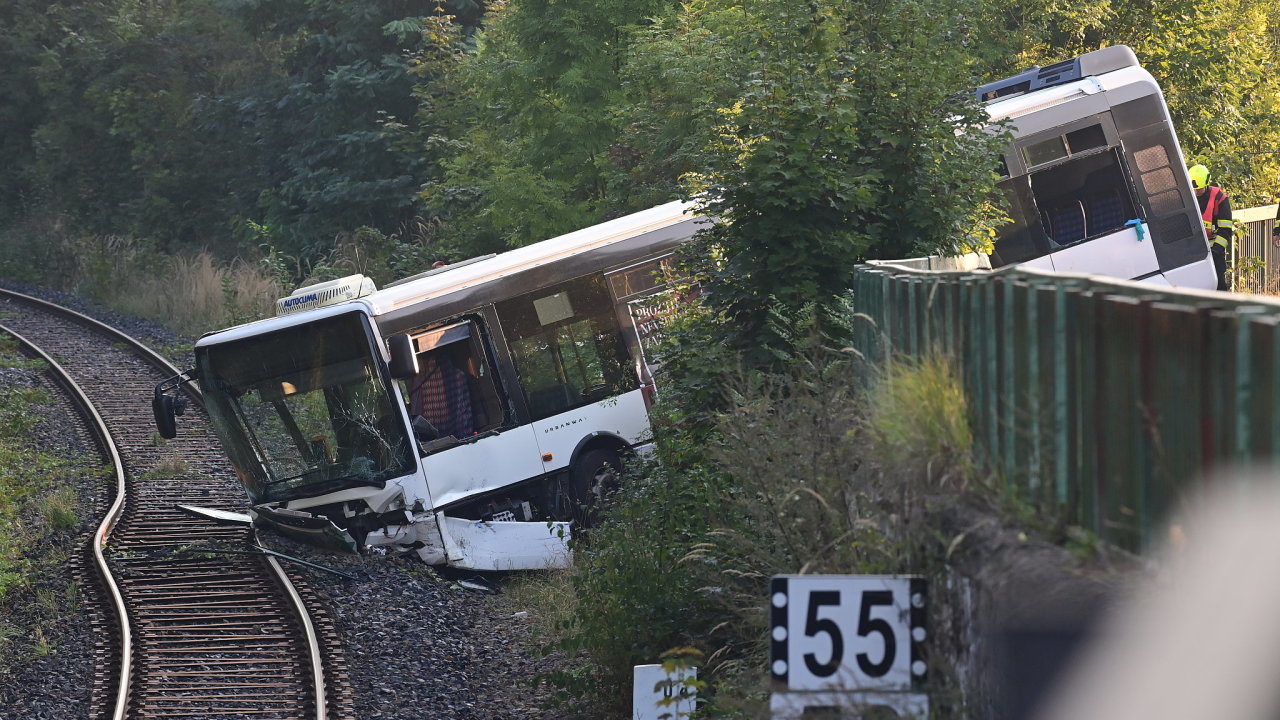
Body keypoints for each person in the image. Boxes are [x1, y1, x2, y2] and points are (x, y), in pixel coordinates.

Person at [1189, 164, 1232, 291]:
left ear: (1206, 184)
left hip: (1214, 252)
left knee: (1219, 286)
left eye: (1199, 189)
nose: (1196, 192)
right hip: (1193, 252)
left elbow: (1225, 231)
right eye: (1194, 189)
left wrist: (1214, 252)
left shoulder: (1219, 198)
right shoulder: (1187, 196)